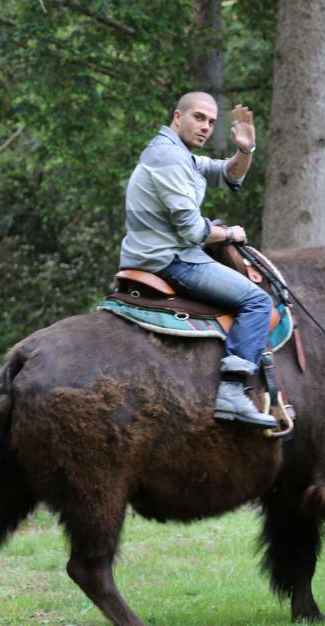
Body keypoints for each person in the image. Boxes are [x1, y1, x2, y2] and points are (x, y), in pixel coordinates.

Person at [119, 91, 276, 428]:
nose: (205, 126)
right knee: (257, 301)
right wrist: (232, 234)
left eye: (212, 122)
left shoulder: (180, 156)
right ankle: (233, 394)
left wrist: (244, 149)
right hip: (170, 259)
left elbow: (227, 173)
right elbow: (192, 230)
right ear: (178, 116)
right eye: (198, 118)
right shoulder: (169, 158)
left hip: (160, 252)